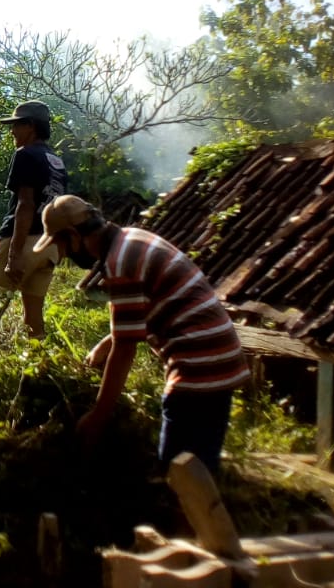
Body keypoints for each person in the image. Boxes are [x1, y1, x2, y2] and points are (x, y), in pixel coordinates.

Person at [31, 194, 250, 473]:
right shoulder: (131, 238)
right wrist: (105, 344)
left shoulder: (121, 262)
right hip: (221, 358)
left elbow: (126, 349)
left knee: (180, 476)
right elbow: (142, 314)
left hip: (199, 366)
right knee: (200, 470)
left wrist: (99, 414)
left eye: (61, 246)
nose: (62, 257)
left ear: (74, 236)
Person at [0, 100, 67, 337]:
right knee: (33, 315)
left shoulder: (25, 154)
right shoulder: (56, 161)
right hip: (48, 244)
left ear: (30, 126)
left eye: (16, 125)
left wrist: (14, 254)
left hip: (22, 239)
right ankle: (38, 364)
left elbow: (25, 204)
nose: (12, 131)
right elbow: (61, 207)